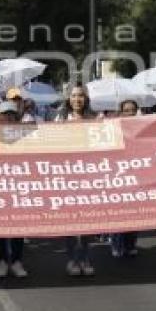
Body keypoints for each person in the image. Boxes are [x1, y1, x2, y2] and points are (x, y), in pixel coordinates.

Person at [55, 83, 96, 276]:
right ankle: (72, 259)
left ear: (86, 99)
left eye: (80, 96)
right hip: (68, 177)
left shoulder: (95, 119)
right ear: (68, 99)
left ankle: (85, 258)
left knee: (88, 223)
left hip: (88, 176)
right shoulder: (60, 119)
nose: (77, 99)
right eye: (73, 96)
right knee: (71, 223)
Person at [0, 101, 29, 278]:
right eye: (4, 115)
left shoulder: (26, 135)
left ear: (17, 118)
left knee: (18, 226)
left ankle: (16, 261)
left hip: (18, 186)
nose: (7, 118)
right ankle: (1, 261)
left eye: (11, 115)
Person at [110, 99, 140, 258]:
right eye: (126, 110)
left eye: (132, 110)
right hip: (118, 176)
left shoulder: (142, 127)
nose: (130, 113)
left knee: (134, 214)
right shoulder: (114, 128)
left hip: (135, 176)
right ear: (121, 112)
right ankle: (116, 244)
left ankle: (130, 244)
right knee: (118, 214)